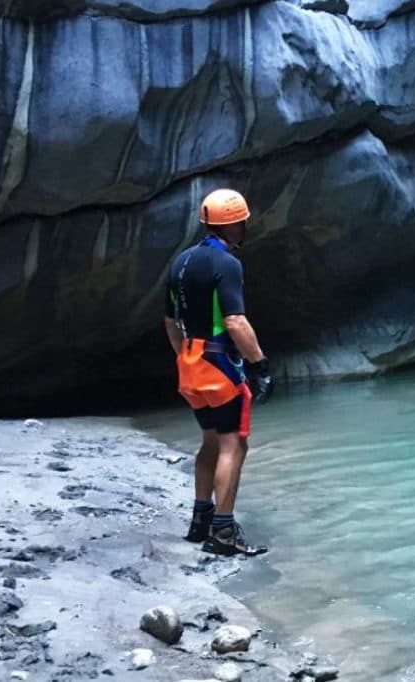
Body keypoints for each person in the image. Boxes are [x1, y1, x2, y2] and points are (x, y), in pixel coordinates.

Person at [163, 188, 274, 557]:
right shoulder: (226, 264)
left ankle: (201, 521)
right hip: (219, 365)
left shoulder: (180, 262)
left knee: (210, 441)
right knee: (234, 444)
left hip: (190, 365)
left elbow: (170, 321)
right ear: (236, 225)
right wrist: (260, 364)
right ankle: (223, 531)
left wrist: (186, 357)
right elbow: (235, 321)